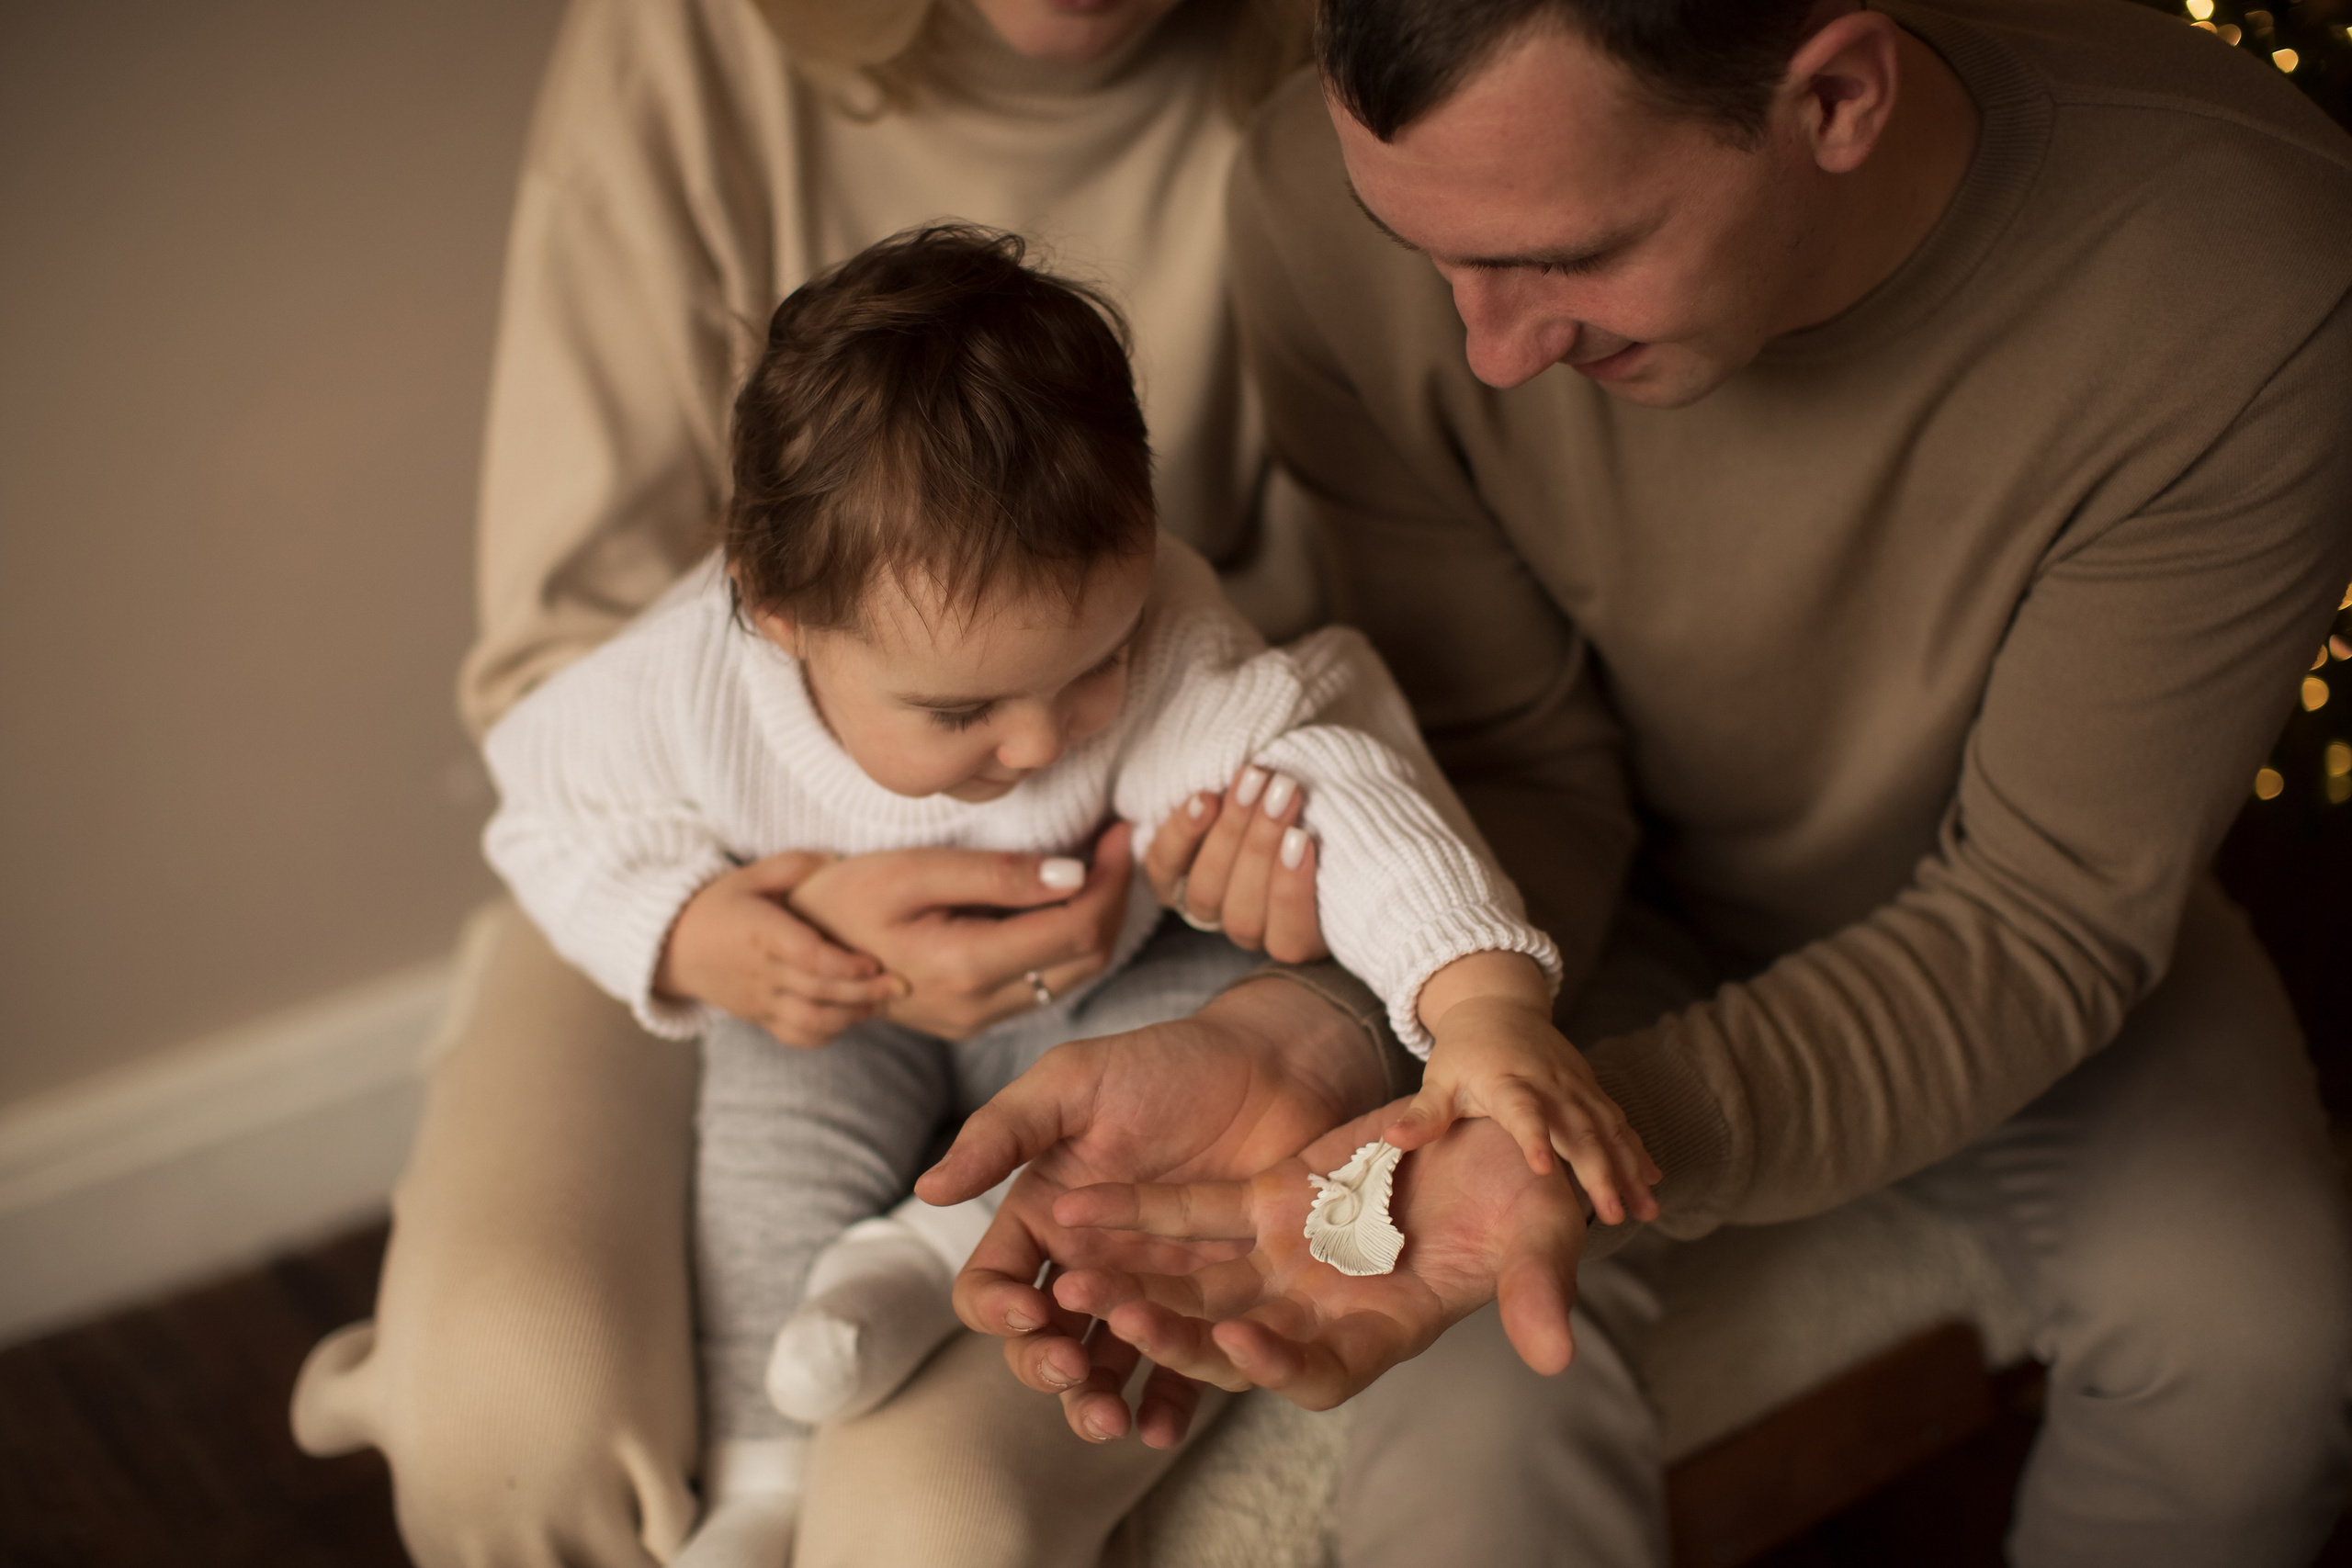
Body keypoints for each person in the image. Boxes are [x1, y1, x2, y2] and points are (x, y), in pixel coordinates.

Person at [913, 2, 2352, 1564]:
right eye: (1430, 259)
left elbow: (2044, 914)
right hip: (1541, 912)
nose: (1487, 350)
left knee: (2258, 1359)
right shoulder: (1314, 201)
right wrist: (1332, 1030)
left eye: (1564, 258)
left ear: (1839, 97)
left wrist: (1571, 1137)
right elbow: (1518, 765)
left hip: (2011, 897)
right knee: (1471, 1462)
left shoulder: (2246, 265)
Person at [287, 3, 1369, 1565]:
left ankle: (900, 1300)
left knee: (926, 1518)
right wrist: (735, 917)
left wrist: (1249, 887)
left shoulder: (1367, 64)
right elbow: (558, 709)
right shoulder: (686, 49)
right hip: (708, 860)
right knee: (510, 1412)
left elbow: (1367, 700)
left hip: (1165, 898)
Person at [474, 222, 1657, 1564]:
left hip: (1118, 987)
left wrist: (1482, 1003)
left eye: (1087, 671)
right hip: (843, 994)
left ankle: (933, 1254)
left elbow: (1340, 782)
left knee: (1197, 1048)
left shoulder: (1167, 633)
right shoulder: (685, 682)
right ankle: (759, 1485)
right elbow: (547, 809)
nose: (1044, 744)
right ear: (777, 612)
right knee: (760, 1139)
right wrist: (690, 933)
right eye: (961, 708)